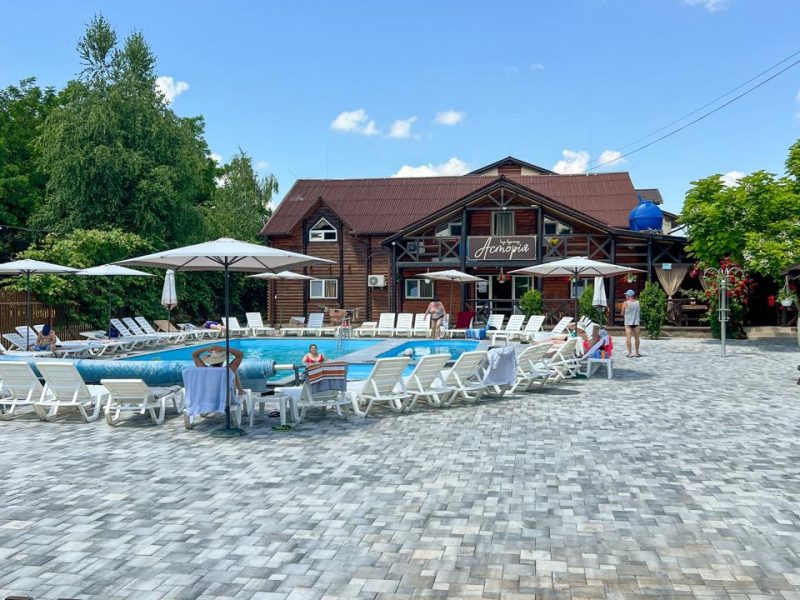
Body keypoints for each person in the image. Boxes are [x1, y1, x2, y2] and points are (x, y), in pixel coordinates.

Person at [622, 289, 641, 357]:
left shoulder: (625, 303)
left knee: (628, 338)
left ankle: (630, 353)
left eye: (626, 295)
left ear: (629, 295)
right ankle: (637, 353)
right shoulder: (638, 302)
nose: (625, 296)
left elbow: (622, 313)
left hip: (628, 322)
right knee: (637, 338)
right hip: (636, 322)